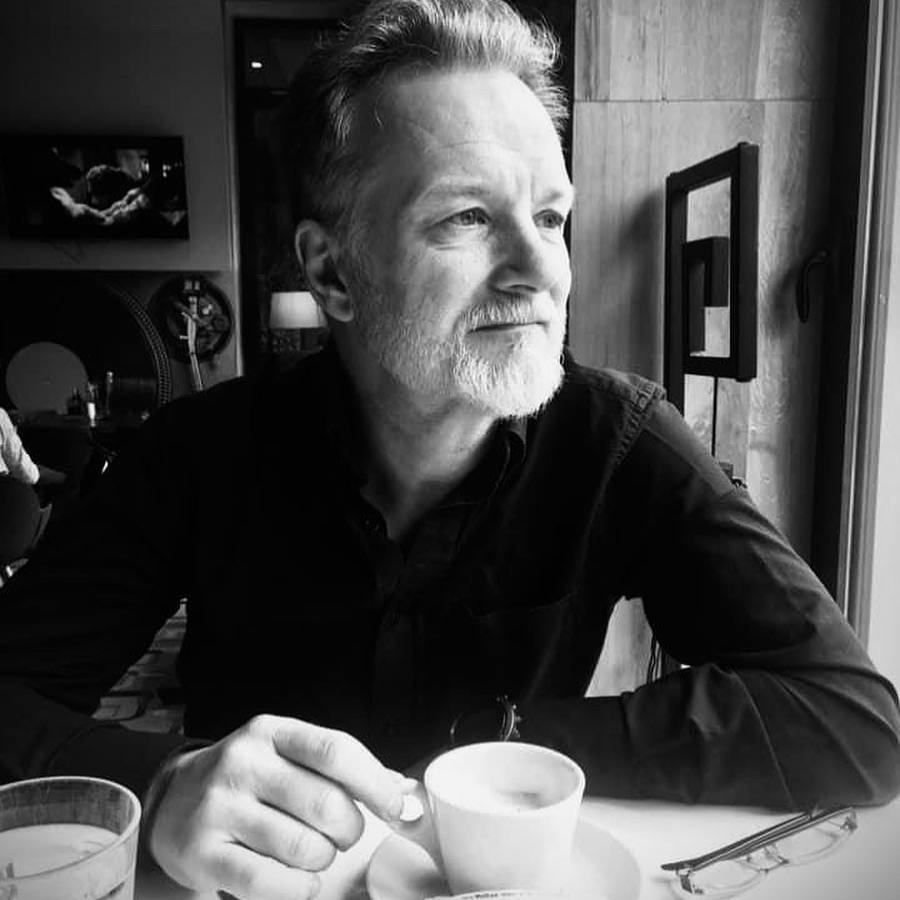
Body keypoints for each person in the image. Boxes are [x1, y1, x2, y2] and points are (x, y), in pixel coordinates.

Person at [1, 1, 898, 898]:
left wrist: (507, 736)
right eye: (467, 217)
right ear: (332, 273)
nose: (541, 271)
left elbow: (856, 723)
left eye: (550, 218)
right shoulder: (195, 451)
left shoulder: (619, 442)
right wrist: (160, 788)